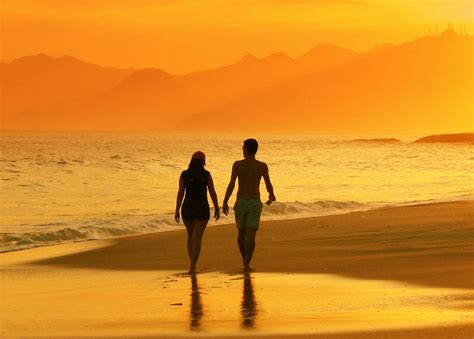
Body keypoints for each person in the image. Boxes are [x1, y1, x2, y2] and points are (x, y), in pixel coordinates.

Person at [223, 139, 276, 272]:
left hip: (241, 201)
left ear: (246, 149)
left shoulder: (237, 165)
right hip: (254, 202)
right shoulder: (262, 166)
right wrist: (271, 195)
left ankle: (244, 262)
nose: (242, 150)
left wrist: (225, 201)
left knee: (241, 232)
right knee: (251, 234)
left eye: (243, 148)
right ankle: (246, 263)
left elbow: (231, 184)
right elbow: (268, 183)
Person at [175, 151, 220, 274]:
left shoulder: (184, 174)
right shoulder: (206, 175)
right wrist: (216, 207)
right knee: (197, 238)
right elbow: (212, 192)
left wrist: (177, 210)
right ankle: (192, 267)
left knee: (190, 236)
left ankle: (192, 265)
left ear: (191, 160)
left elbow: (180, 193)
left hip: (187, 207)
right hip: (201, 207)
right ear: (203, 162)